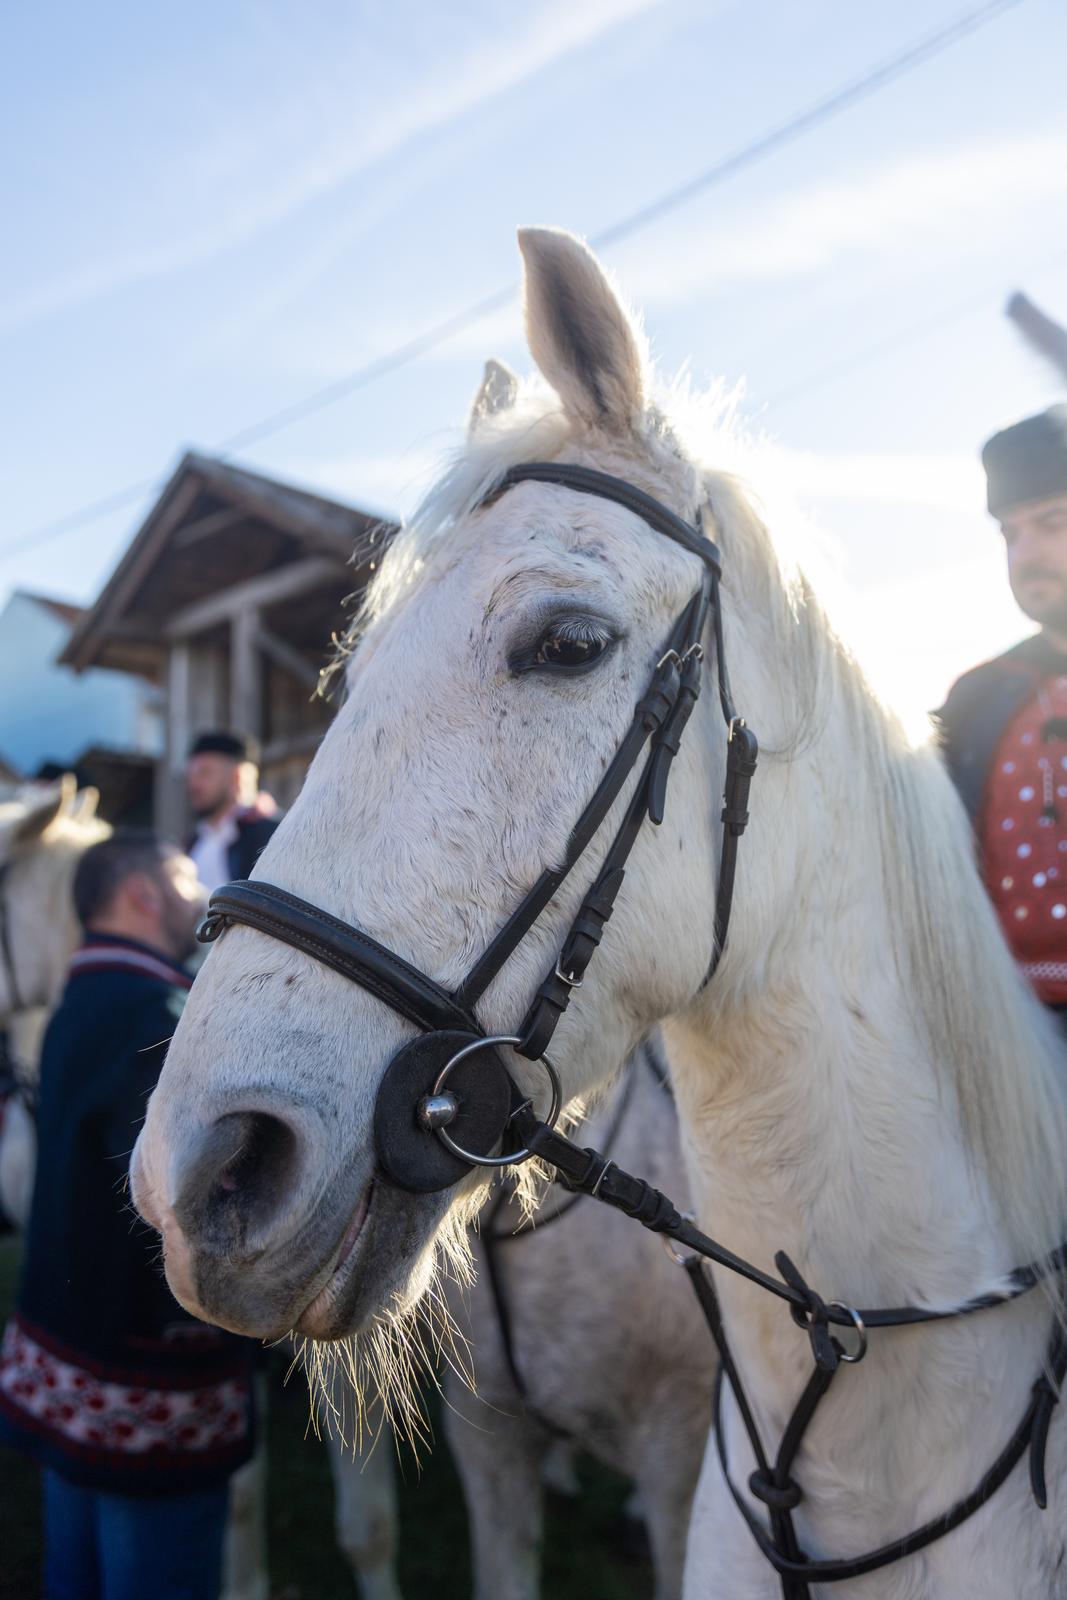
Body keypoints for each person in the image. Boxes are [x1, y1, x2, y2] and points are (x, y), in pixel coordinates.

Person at [0, 832, 255, 1600]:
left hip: (68, 1364)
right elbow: (189, 1198)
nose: (198, 895)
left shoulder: (82, 997)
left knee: (73, 1573)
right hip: (147, 1384)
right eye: (183, 879)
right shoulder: (160, 1013)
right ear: (142, 893)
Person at [938, 404, 1067, 1008]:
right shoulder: (979, 699)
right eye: (1011, 534)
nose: (1026, 554)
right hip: (1003, 1038)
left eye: (1052, 523)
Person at [185, 731, 280, 892]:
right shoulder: (193, 842)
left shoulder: (270, 836)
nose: (194, 785)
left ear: (237, 776)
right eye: (191, 776)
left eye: (205, 773)